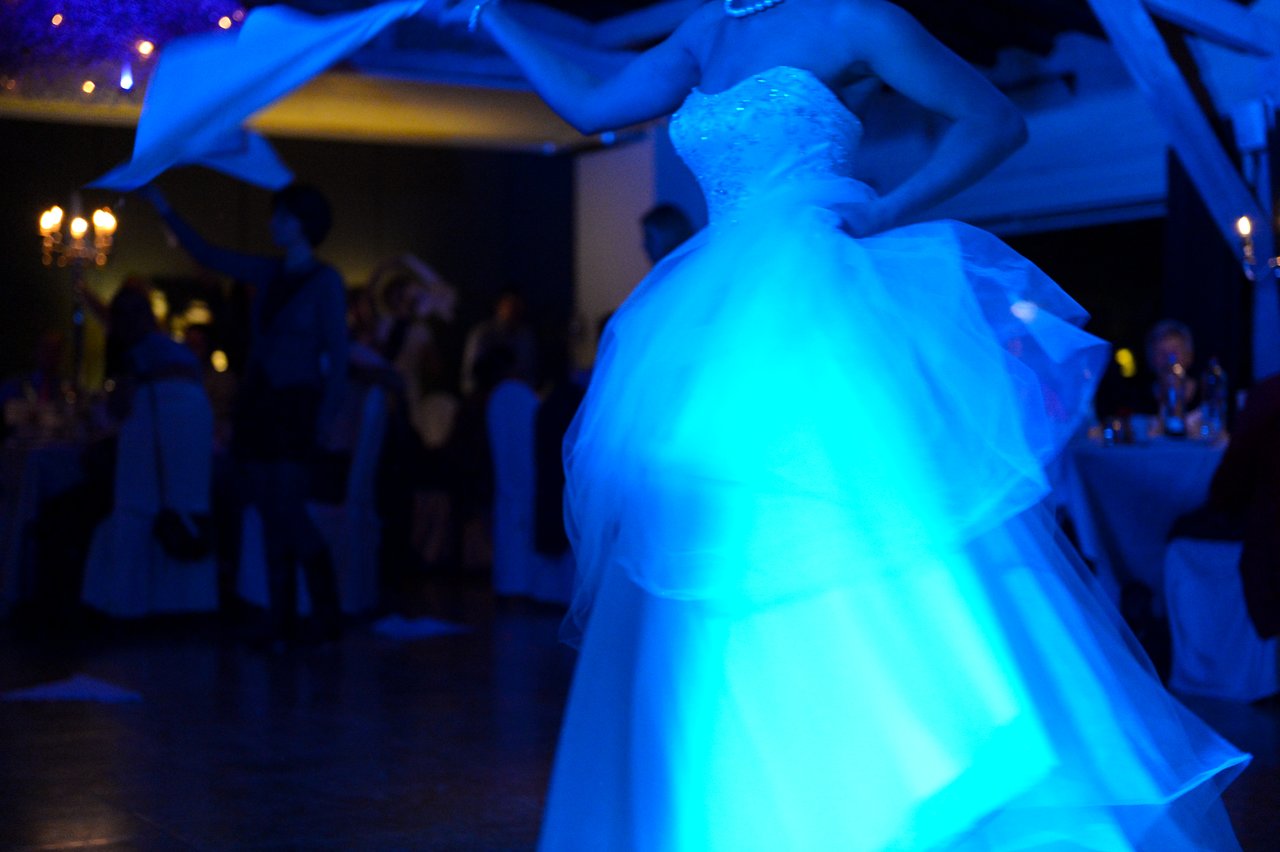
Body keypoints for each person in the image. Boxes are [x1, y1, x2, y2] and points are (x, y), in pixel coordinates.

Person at [431, 0, 1247, 847]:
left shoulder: (854, 17)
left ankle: (907, 775)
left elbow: (992, 120)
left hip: (816, 301)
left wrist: (891, 210)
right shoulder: (704, 33)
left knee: (852, 521)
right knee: (708, 543)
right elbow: (589, 106)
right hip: (715, 317)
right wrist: (493, 14)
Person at [140, 183, 347, 646]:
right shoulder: (270, 272)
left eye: (283, 216)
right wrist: (161, 204)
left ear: (304, 224)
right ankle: (281, 620)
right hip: (261, 405)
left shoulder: (326, 281)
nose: (274, 223)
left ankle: (324, 615)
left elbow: (338, 358)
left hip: (294, 407)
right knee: (271, 514)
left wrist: (325, 422)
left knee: (288, 511)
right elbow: (207, 254)